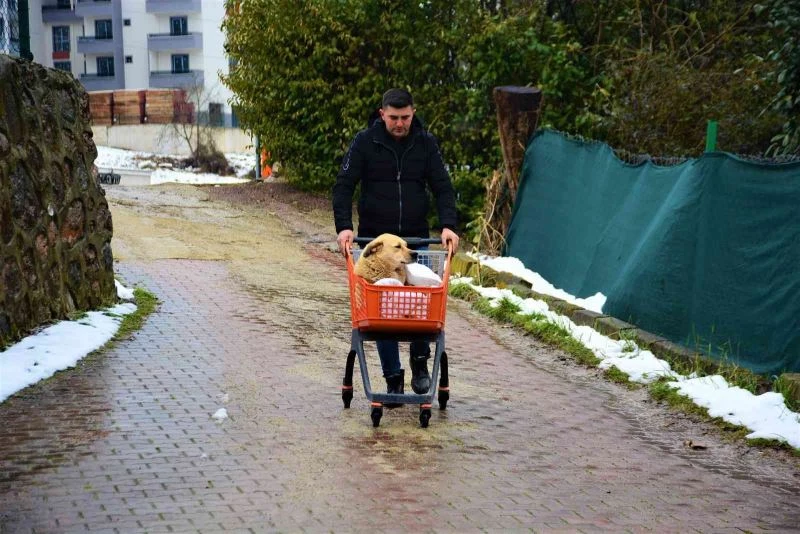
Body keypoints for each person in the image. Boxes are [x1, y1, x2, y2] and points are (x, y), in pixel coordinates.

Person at [333, 88, 460, 405]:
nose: (400, 124)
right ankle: (392, 376)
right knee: (381, 313)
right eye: (394, 118)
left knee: (419, 309)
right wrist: (344, 228)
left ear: (413, 113)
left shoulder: (426, 144)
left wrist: (448, 225)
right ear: (382, 114)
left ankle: (420, 360)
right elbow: (344, 185)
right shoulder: (365, 142)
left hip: (416, 240)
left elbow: (443, 186)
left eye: (405, 117)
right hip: (376, 241)